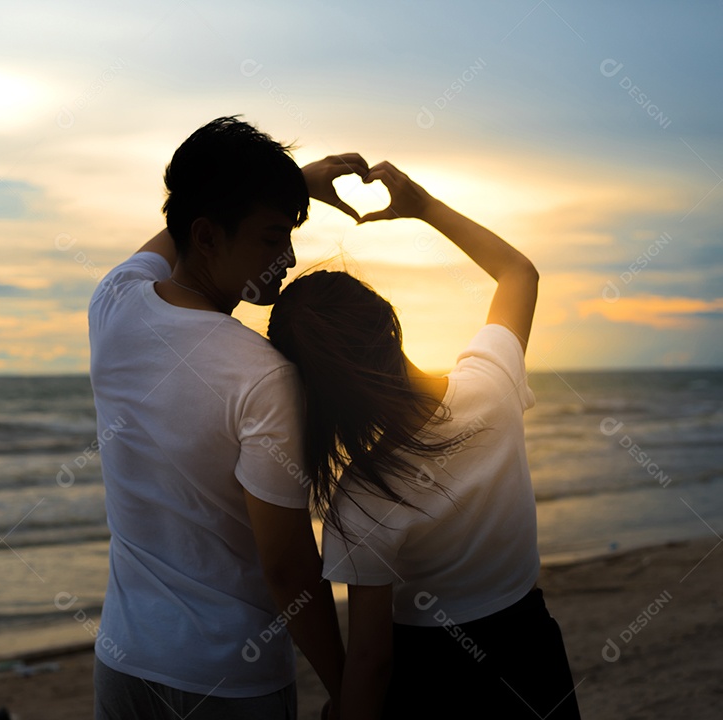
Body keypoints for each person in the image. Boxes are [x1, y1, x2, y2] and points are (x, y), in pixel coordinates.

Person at [267, 161, 582, 719]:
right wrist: (423, 205)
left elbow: (371, 661)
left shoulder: (362, 498)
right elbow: (519, 273)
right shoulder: (491, 385)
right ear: (390, 321)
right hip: (533, 653)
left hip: (433, 680)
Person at [87, 117, 361, 718]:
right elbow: (287, 568)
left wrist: (293, 189)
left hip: (124, 662)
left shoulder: (112, 304)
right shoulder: (262, 374)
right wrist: (346, 689)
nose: (288, 258)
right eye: (271, 238)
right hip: (227, 682)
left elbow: (171, 235)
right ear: (208, 235)